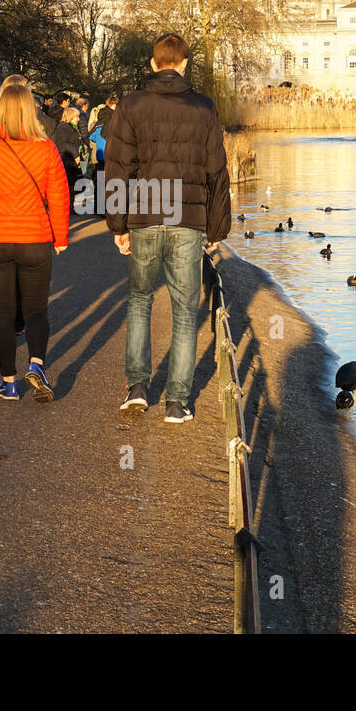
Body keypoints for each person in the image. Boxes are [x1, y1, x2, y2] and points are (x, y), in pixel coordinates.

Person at [104, 32, 230, 424]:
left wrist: (117, 223)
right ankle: (177, 401)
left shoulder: (131, 105)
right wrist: (216, 226)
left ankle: (138, 387)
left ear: (154, 63)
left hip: (143, 216)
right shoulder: (204, 108)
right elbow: (216, 171)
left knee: (140, 300)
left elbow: (118, 166)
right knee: (184, 311)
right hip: (187, 221)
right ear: (185, 64)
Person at [0, 75, 69, 402]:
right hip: (36, 239)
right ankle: (36, 364)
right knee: (37, 309)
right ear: (30, 110)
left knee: (5, 312)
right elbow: (60, 195)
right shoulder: (47, 149)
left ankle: (8, 382)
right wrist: (61, 236)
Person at [54, 105, 81, 209]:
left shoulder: (70, 127)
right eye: (76, 117)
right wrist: (76, 155)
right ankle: (68, 206)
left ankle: (70, 206)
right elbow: (64, 144)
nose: (78, 119)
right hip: (66, 159)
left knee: (71, 184)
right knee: (68, 184)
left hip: (70, 160)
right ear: (70, 117)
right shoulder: (64, 127)